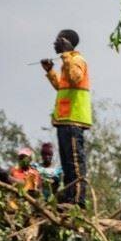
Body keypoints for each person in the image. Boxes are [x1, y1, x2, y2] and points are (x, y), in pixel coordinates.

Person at [41, 29, 90, 207]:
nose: (55, 44)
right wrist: (50, 71)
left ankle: (77, 200)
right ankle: (70, 197)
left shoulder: (77, 60)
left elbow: (75, 78)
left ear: (67, 42)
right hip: (64, 120)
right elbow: (62, 86)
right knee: (67, 163)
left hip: (74, 119)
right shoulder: (67, 62)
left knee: (75, 162)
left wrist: (67, 54)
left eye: (58, 40)